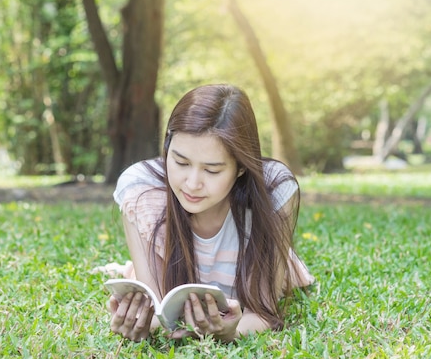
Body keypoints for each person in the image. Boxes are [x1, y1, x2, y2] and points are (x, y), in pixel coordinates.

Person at [106, 84, 314, 342]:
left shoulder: (275, 192)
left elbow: (264, 313)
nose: (192, 183)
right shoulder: (141, 190)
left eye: (212, 170)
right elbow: (157, 308)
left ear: (240, 168)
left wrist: (230, 333)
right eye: (181, 162)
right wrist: (145, 325)